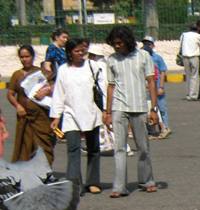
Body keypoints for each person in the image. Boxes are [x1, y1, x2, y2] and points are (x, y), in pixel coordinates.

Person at [103, 26, 159, 197]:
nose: (117, 46)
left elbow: (151, 82)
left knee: (143, 147)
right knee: (119, 148)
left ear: (127, 41)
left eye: (119, 43)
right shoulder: (111, 60)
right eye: (114, 44)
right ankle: (119, 186)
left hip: (140, 107)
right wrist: (107, 112)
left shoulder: (143, 56)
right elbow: (111, 86)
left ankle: (147, 180)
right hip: (119, 107)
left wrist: (154, 109)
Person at [49, 38, 103, 195]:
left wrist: (106, 111)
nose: (81, 54)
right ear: (70, 53)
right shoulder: (64, 70)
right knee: (73, 149)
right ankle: (74, 184)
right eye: (77, 51)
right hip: (71, 114)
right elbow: (59, 94)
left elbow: (103, 88)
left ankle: (93, 181)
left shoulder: (93, 66)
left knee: (94, 149)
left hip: (92, 113)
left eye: (83, 51)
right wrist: (56, 117)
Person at [6, 45, 54, 164]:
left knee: (44, 144)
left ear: (32, 57)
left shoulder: (40, 73)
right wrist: (18, 106)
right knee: (25, 145)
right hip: (24, 116)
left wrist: (47, 90)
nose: (24, 59)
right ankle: (24, 172)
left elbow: (52, 88)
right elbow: (10, 94)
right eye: (22, 57)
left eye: (27, 56)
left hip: (41, 116)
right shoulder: (17, 75)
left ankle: (45, 171)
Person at [141, 36, 171, 139]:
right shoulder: (141, 57)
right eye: (144, 43)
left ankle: (165, 128)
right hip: (147, 88)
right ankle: (152, 130)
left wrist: (161, 86)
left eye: (148, 44)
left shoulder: (157, 58)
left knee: (162, 108)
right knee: (150, 109)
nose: (146, 46)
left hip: (157, 85)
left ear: (153, 45)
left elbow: (162, 72)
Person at [180, 24, 200, 100]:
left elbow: (181, 43)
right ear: (197, 29)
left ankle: (188, 94)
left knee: (188, 76)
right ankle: (193, 95)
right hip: (194, 56)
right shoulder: (198, 36)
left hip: (185, 56)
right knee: (195, 75)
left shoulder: (183, 35)